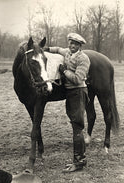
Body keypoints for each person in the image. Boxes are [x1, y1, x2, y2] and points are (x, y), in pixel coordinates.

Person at [44, 33, 90, 172]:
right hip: (70, 93)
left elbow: (77, 78)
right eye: (70, 43)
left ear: (80, 46)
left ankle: (79, 161)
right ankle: (79, 159)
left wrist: (64, 71)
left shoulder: (83, 59)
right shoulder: (68, 52)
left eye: (75, 44)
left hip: (78, 92)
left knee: (77, 126)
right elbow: (58, 49)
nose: (71, 46)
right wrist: (45, 48)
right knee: (75, 124)